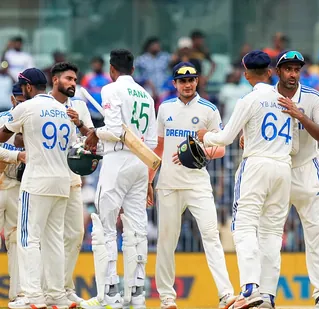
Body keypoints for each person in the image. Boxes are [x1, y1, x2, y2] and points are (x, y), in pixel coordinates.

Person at [196, 50, 295, 309]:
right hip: (283, 166)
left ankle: (250, 289)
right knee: (273, 232)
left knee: (244, 226)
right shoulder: (284, 99)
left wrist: (205, 135)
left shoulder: (249, 99)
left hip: (257, 165)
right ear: (271, 73)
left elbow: (225, 138)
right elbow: (290, 142)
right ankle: (268, 296)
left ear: (246, 73)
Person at [256, 50, 319, 309]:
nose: (293, 74)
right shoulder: (265, 96)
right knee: (270, 235)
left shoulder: (313, 98)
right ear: (278, 71)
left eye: (297, 70)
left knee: (315, 233)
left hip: (305, 170)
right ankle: (266, 295)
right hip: (276, 170)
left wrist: (299, 114)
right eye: (288, 69)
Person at [150, 62, 236, 309]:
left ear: (197, 82)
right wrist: (148, 179)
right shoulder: (165, 108)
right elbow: (158, 147)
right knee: (167, 240)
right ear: (175, 83)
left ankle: (226, 294)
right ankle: (166, 297)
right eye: (182, 81)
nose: (187, 85)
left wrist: (198, 150)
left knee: (211, 236)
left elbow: (220, 148)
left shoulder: (209, 110)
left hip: (197, 184)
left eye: (191, 80)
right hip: (167, 184)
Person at [80, 49, 157, 309]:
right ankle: (137, 295)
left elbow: (113, 130)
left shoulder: (110, 90)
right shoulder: (146, 95)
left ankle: (110, 293)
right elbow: (153, 141)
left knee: (106, 227)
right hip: (140, 163)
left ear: (112, 70)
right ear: (133, 70)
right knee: (137, 230)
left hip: (117, 162)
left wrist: (94, 133)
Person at [0, 68, 73, 309]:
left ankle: (33, 296)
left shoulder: (27, 106)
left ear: (28, 87)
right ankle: (57, 295)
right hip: (62, 181)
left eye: (23, 87)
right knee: (53, 240)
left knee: (27, 238)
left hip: (37, 181)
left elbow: (3, 136)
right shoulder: (63, 110)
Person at [49, 62, 95, 306]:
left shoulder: (79, 106)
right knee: (51, 236)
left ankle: (64, 288)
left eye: (75, 80)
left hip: (72, 177)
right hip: (48, 176)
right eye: (68, 79)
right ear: (55, 80)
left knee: (76, 234)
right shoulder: (43, 104)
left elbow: (92, 139)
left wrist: (79, 123)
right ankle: (51, 289)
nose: (73, 83)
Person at [0, 83, 27, 303]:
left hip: (18, 184)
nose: (22, 104)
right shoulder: (3, 119)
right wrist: (16, 156)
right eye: (19, 100)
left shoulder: (33, 119)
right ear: (12, 99)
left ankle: (17, 295)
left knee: (17, 239)